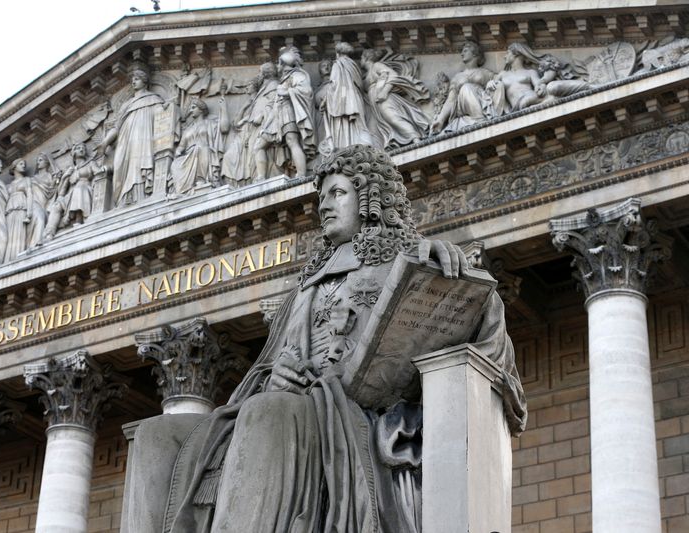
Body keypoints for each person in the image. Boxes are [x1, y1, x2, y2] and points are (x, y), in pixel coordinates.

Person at [150, 144, 527, 533]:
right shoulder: (305, 288)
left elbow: (490, 348)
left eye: (337, 193)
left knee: (269, 412)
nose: (324, 206)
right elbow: (263, 370)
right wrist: (271, 376)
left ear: (370, 200)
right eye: (321, 197)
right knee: (157, 437)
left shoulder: (410, 264)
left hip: (356, 418)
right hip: (286, 409)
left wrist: (452, 277)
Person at [99, 68, 165, 207]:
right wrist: (105, 142)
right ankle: (124, 197)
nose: (133, 82)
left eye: (137, 79)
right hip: (125, 141)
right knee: (121, 166)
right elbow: (116, 127)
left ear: (145, 81)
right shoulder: (126, 105)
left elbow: (163, 118)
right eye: (132, 80)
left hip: (144, 137)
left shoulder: (153, 99)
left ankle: (139, 197)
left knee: (140, 163)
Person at [255, 45, 316, 180]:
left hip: (288, 113)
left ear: (283, 64)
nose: (277, 65)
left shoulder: (297, 75)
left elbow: (306, 91)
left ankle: (301, 175)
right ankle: (260, 178)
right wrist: (265, 126)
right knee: (259, 145)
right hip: (276, 117)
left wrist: (287, 92)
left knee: (292, 141)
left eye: (279, 62)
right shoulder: (282, 80)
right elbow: (275, 105)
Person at [361, 49, 430, 149]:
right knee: (377, 128)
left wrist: (384, 92)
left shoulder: (377, 66)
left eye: (361, 58)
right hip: (374, 104)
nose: (360, 61)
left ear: (366, 58)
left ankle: (416, 139)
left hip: (383, 98)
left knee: (394, 118)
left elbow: (393, 75)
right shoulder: (366, 75)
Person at [222, 63, 280, 183]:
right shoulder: (263, 90)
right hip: (253, 128)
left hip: (265, 125)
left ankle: (262, 178)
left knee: (257, 150)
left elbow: (275, 102)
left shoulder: (273, 85)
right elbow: (237, 122)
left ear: (265, 74)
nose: (258, 74)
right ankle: (257, 179)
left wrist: (262, 115)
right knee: (253, 154)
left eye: (260, 72)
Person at [430, 40, 495, 134]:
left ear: (474, 54)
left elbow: (500, 80)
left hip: (482, 104)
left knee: (466, 87)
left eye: (465, 51)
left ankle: (480, 119)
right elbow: (451, 100)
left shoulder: (485, 73)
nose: (461, 54)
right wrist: (440, 120)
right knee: (466, 88)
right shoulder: (457, 77)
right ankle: (479, 120)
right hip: (464, 108)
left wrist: (492, 82)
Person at [169, 97, 229, 195]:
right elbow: (181, 146)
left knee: (200, 148)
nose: (191, 110)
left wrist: (224, 108)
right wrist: (178, 151)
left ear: (201, 110)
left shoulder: (210, 124)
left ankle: (201, 180)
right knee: (174, 164)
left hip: (205, 152)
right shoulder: (188, 130)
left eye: (193, 107)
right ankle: (183, 189)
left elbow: (225, 128)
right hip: (188, 157)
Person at [319, 42, 373, 151]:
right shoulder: (353, 65)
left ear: (337, 53)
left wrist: (325, 100)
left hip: (343, 99)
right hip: (356, 98)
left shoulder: (338, 64)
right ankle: (365, 143)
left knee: (344, 123)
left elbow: (334, 84)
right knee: (359, 123)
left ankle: (347, 146)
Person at [61, 142, 105, 225]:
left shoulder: (90, 163)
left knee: (79, 188)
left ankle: (79, 217)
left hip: (87, 187)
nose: (82, 149)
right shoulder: (71, 169)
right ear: (73, 153)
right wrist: (64, 177)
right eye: (79, 148)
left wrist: (106, 168)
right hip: (71, 193)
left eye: (83, 148)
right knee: (57, 205)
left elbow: (98, 171)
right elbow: (62, 190)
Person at [28, 153, 61, 247]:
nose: (38, 162)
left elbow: (53, 190)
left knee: (43, 217)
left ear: (47, 163)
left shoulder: (49, 176)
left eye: (40, 160)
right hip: (34, 202)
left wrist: (56, 180)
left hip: (45, 202)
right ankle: (37, 242)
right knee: (40, 218)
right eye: (37, 160)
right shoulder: (33, 178)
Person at [4, 158, 33, 262]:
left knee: (19, 234)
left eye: (24, 164)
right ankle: (8, 261)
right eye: (21, 164)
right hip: (9, 211)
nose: (23, 166)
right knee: (9, 237)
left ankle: (18, 258)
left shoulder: (26, 180)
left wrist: (29, 212)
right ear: (14, 167)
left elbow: (29, 195)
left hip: (21, 209)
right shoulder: (8, 186)